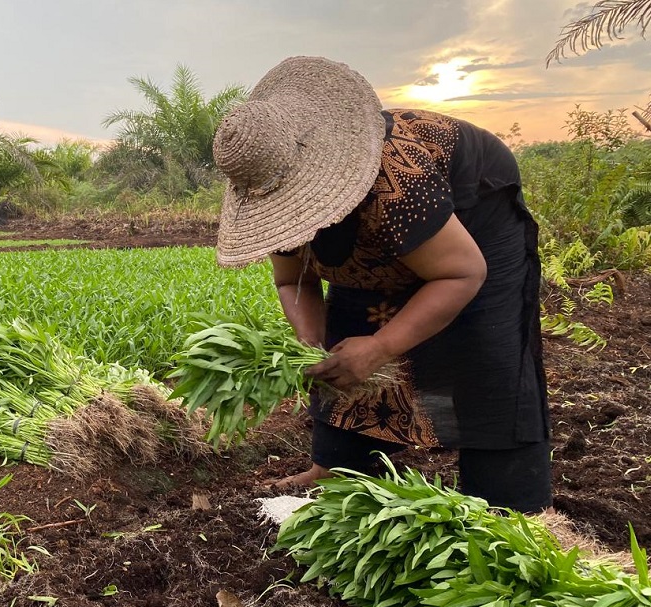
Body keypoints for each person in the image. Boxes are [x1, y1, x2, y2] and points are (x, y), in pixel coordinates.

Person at [211, 56, 551, 514]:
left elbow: (461, 273)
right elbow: (293, 281)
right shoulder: (270, 191)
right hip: (390, 227)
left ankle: (507, 497)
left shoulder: (397, 180)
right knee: (351, 331)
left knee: (482, 346)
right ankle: (338, 465)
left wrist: (383, 346)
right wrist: (312, 346)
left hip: (473, 221)